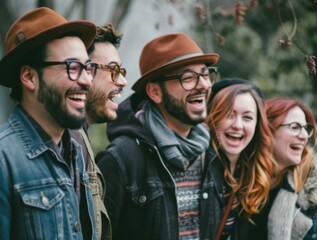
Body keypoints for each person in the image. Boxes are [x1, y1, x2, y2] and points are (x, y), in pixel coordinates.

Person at [96, 32, 221, 239]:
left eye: (206, 74)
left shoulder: (211, 151)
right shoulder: (121, 160)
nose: (204, 85)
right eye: (188, 78)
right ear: (155, 92)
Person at [0, 7, 98, 239]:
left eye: (88, 68)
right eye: (72, 68)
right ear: (29, 77)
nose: (87, 81)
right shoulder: (4, 160)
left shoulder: (76, 151)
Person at [70, 23, 127, 240]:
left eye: (121, 71)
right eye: (113, 70)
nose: (122, 81)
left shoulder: (80, 143)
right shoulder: (63, 144)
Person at [265, 97, 317, 239]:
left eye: (306, 129)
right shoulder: (243, 189)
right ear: (268, 130)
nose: (303, 136)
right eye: (294, 127)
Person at [206, 78, 275, 239]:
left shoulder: (254, 175)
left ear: (257, 125)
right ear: (213, 117)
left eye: (247, 117)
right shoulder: (196, 169)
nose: (238, 125)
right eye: (229, 114)